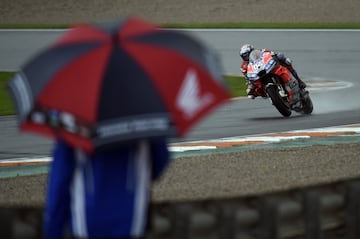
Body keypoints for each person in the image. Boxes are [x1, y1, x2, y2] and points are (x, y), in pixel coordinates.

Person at [44, 138, 170, 239]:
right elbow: (160, 162)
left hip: (87, 223)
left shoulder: (75, 121)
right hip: (131, 220)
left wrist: (53, 231)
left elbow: (60, 182)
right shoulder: (144, 115)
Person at [239, 43, 307, 99]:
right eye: (244, 56)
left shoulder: (262, 51)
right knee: (251, 90)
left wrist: (276, 56)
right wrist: (251, 87)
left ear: (252, 51)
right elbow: (247, 78)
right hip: (259, 76)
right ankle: (269, 94)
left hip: (268, 67)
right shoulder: (244, 66)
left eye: (248, 54)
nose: (247, 57)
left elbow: (272, 54)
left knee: (285, 60)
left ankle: (299, 81)